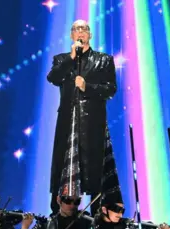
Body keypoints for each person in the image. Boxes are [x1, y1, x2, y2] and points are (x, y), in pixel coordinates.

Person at [47, 19, 117, 215]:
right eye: (76, 29)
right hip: (67, 123)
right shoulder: (62, 60)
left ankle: (97, 214)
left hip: (92, 123)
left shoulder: (104, 60)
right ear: (71, 35)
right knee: (62, 165)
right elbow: (53, 78)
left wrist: (88, 88)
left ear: (90, 35)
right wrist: (71, 57)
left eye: (84, 29)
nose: (80, 32)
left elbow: (111, 89)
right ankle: (57, 214)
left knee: (94, 169)